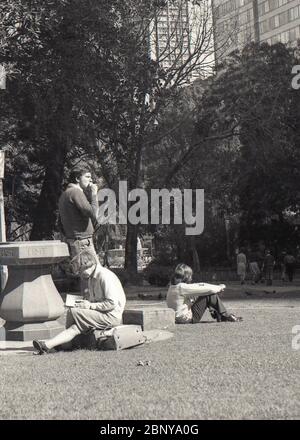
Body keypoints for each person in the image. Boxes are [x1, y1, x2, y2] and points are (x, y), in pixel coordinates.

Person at [32, 250, 126, 355]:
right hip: (102, 313)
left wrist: (89, 306)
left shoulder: (104, 276)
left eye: (80, 271)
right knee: (75, 327)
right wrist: (83, 303)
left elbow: (111, 303)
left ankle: (67, 344)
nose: (80, 275)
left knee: (73, 312)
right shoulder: (91, 278)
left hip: (111, 316)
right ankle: (47, 345)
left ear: (87, 265)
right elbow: (94, 300)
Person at [166, 263, 242, 324]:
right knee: (208, 294)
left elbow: (199, 289)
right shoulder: (182, 287)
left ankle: (218, 313)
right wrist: (219, 287)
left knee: (203, 294)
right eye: (190, 276)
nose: (191, 278)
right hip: (187, 319)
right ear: (186, 276)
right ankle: (225, 315)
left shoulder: (173, 286)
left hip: (176, 318)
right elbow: (204, 288)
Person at [59, 165, 100, 260]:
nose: (91, 180)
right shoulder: (76, 193)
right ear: (77, 178)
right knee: (91, 272)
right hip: (82, 242)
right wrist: (94, 194)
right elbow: (94, 214)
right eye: (87, 177)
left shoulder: (65, 194)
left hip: (73, 240)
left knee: (84, 272)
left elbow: (60, 223)